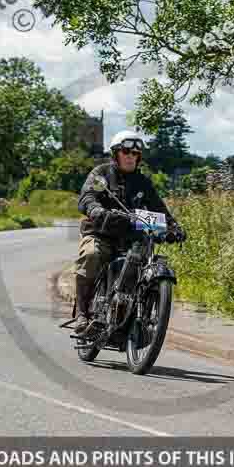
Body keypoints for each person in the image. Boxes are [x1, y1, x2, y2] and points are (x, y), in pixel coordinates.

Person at [73, 129, 186, 336]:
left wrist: (173, 227)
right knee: (91, 255)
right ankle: (82, 314)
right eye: (126, 152)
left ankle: (136, 317)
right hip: (101, 233)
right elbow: (87, 197)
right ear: (116, 153)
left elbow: (159, 209)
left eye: (135, 154)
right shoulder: (101, 174)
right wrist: (95, 209)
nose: (130, 156)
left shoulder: (143, 182)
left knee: (146, 266)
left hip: (131, 240)